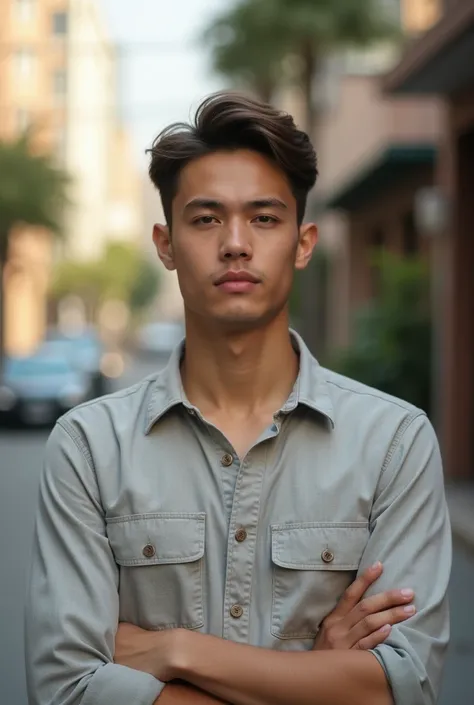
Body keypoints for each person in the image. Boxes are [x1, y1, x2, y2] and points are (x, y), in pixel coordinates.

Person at [25, 92, 451, 705]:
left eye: (264, 218)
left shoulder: (393, 442)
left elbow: (405, 686)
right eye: (204, 218)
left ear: (303, 243)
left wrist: (176, 652)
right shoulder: (89, 446)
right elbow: (66, 688)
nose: (235, 243)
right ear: (165, 244)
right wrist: (318, 681)